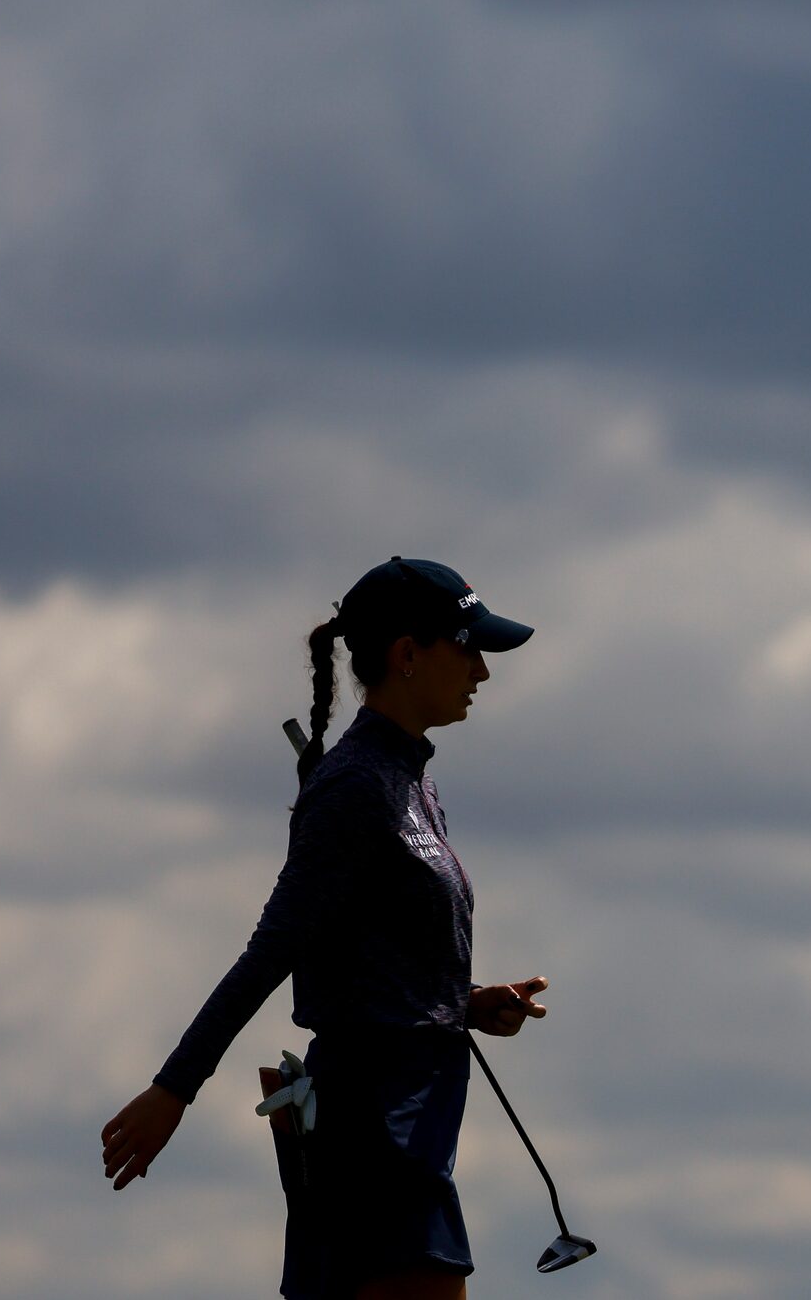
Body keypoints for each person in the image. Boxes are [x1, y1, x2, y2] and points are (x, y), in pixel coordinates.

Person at [100, 557, 555, 1300]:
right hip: (376, 1134)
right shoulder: (354, 787)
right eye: (467, 647)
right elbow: (274, 950)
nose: (482, 670)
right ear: (408, 656)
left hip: (406, 1128)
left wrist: (460, 1001)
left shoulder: (411, 779)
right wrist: (173, 1088)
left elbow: (363, 954)